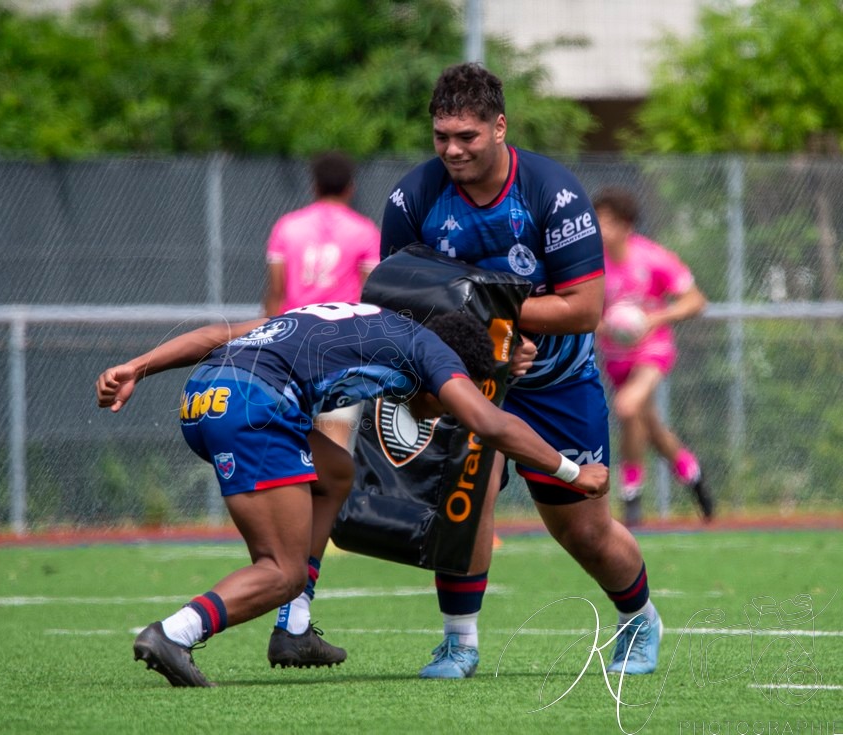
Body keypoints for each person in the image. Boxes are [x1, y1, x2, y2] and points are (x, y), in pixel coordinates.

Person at [286, 62, 665, 679]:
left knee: (584, 531)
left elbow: (585, 308)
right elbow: (399, 304)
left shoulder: (553, 192)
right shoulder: (413, 199)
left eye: (467, 136)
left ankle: (640, 616)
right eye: (442, 137)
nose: (454, 149)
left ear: (500, 126)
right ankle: (459, 643)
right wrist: (478, 341)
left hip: (556, 382)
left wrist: (500, 322)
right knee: (463, 497)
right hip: (461, 376)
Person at [95, 302, 609, 687]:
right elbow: (489, 422)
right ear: (452, 372)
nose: (447, 412)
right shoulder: (431, 351)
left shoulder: (347, 317)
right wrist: (572, 473)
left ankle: (293, 629)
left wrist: (134, 368)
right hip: (254, 406)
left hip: (205, 397)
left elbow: (216, 335)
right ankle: (175, 633)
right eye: (454, 396)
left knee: (336, 470)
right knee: (281, 569)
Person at [260, 153, 380, 667]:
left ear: (313, 182)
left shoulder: (288, 226)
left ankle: (293, 545)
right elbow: (374, 291)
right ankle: (311, 546)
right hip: (341, 346)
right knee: (333, 454)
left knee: (298, 448)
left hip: (291, 344)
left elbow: (274, 293)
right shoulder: (362, 229)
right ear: (351, 185)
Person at [592, 186, 715, 527]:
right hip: (616, 359)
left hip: (652, 352)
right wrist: (605, 325)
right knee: (650, 426)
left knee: (628, 407)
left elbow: (695, 301)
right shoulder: (591, 265)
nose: (598, 228)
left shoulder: (652, 258)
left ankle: (631, 494)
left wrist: (652, 319)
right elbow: (585, 310)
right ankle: (691, 473)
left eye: (606, 222)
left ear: (626, 225)